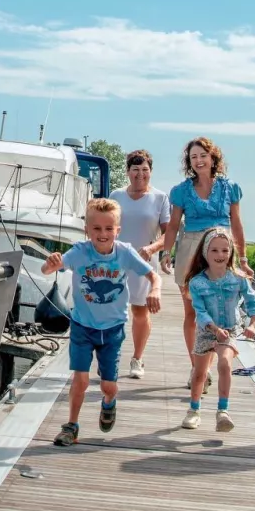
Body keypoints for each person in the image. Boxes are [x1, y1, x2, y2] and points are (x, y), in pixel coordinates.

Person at [41, 197, 155, 446]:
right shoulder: (80, 252)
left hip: (112, 329)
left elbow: (152, 274)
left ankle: (109, 403)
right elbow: (48, 270)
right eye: (97, 228)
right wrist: (50, 265)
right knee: (80, 380)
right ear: (87, 230)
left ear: (117, 230)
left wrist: (154, 290)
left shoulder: (124, 252)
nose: (102, 234)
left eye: (108, 229)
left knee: (108, 386)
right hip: (83, 326)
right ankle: (71, 425)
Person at [158, 137, 250, 364]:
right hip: (190, 250)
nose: (198, 161)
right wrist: (166, 252)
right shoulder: (181, 191)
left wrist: (244, 258)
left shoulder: (230, 188)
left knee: (217, 313)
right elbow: (173, 225)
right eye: (193, 157)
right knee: (192, 312)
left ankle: (210, 361)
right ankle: (196, 366)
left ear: (212, 157)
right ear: (189, 162)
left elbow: (237, 224)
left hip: (220, 250)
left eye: (202, 156)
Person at [181, 227, 255, 431]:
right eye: (214, 250)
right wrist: (214, 329)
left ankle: (222, 411)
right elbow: (199, 311)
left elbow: (253, 302)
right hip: (207, 330)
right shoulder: (197, 282)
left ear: (231, 253)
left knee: (225, 363)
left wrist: (253, 324)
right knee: (199, 374)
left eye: (225, 251)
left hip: (230, 330)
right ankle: (194, 409)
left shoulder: (238, 278)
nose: (220, 255)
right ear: (205, 253)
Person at [109, 149, 170, 380]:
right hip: (115, 260)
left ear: (151, 172)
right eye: (135, 170)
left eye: (145, 170)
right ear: (128, 172)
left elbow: (168, 234)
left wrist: (155, 249)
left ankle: (137, 358)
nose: (140, 175)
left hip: (144, 261)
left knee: (140, 311)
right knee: (112, 310)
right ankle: (110, 356)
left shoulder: (160, 198)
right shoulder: (116, 196)